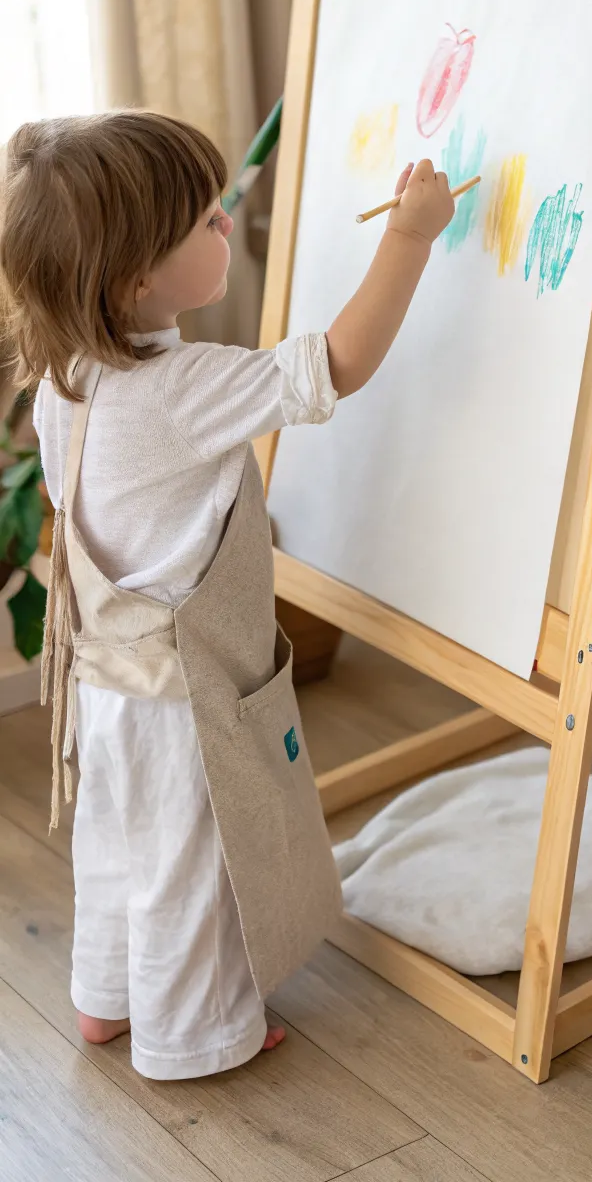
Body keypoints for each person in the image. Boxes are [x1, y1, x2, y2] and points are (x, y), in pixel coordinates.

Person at [0, 110, 453, 1080]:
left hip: (108, 680)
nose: (225, 226)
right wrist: (409, 236)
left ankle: (106, 1001)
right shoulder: (179, 387)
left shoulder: (65, 377)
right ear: (135, 282)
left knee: (120, 843)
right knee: (194, 862)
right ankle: (192, 1037)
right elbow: (338, 364)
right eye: (206, 222)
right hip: (182, 697)